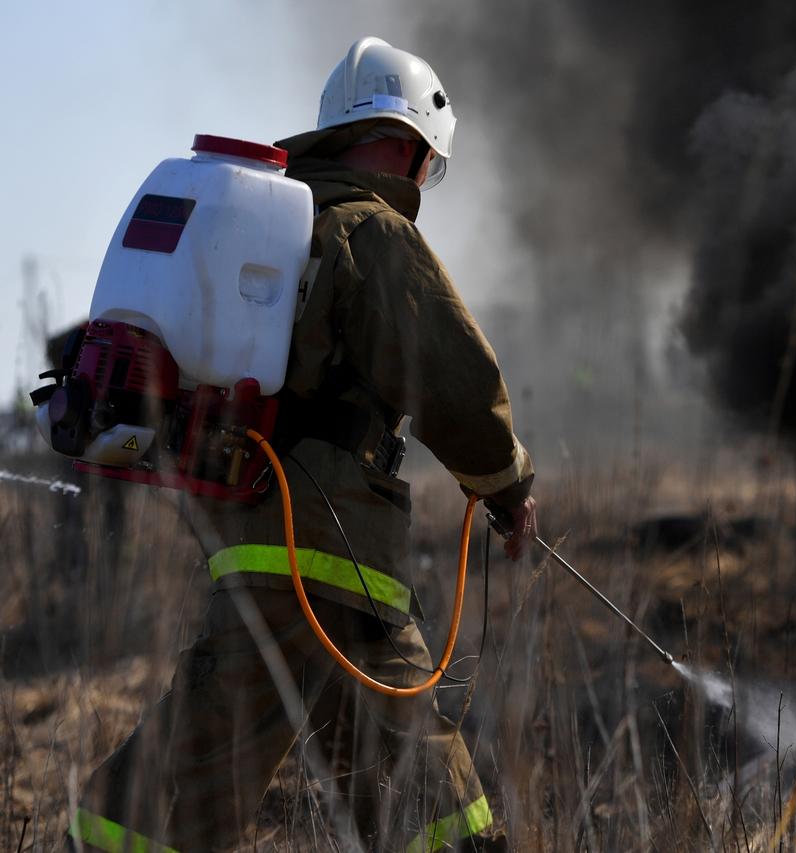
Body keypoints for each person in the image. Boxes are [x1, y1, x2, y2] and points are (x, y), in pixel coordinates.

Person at [69, 37, 535, 852]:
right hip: (334, 546)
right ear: (403, 145)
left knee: (213, 750)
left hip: (250, 537)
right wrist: (509, 483)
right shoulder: (370, 229)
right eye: (426, 162)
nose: (423, 180)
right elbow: (455, 379)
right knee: (423, 781)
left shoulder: (270, 229)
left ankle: (99, 834)